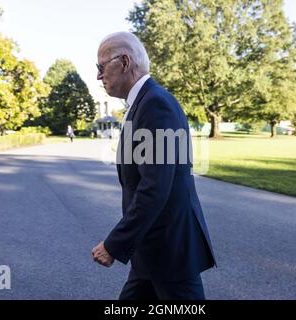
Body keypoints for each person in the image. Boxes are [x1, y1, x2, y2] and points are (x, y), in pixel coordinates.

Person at [92, 32, 216, 300]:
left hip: (169, 250)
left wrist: (114, 244)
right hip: (152, 249)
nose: (99, 76)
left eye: (101, 67)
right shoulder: (143, 103)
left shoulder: (155, 104)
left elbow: (154, 187)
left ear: (124, 62)